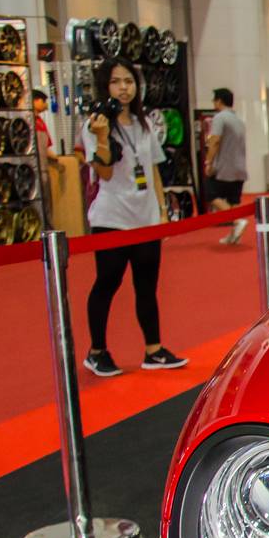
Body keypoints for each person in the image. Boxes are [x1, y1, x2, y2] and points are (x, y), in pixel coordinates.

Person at [81, 57, 188, 377]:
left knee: (147, 285)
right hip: (112, 217)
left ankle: (153, 350)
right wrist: (101, 137)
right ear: (105, 86)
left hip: (146, 218)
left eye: (128, 81)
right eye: (116, 82)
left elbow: (153, 168)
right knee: (107, 282)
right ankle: (97, 351)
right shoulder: (94, 125)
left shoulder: (143, 125)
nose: (123, 88)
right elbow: (103, 171)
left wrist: (163, 209)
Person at [206, 88, 251, 244]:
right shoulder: (239, 120)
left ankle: (237, 220)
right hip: (240, 167)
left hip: (225, 168)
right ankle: (234, 235)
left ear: (219, 101)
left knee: (210, 194)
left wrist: (208, 161)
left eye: (214, 100)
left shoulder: (219, 118)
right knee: (234, 201)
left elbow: (215, 141)